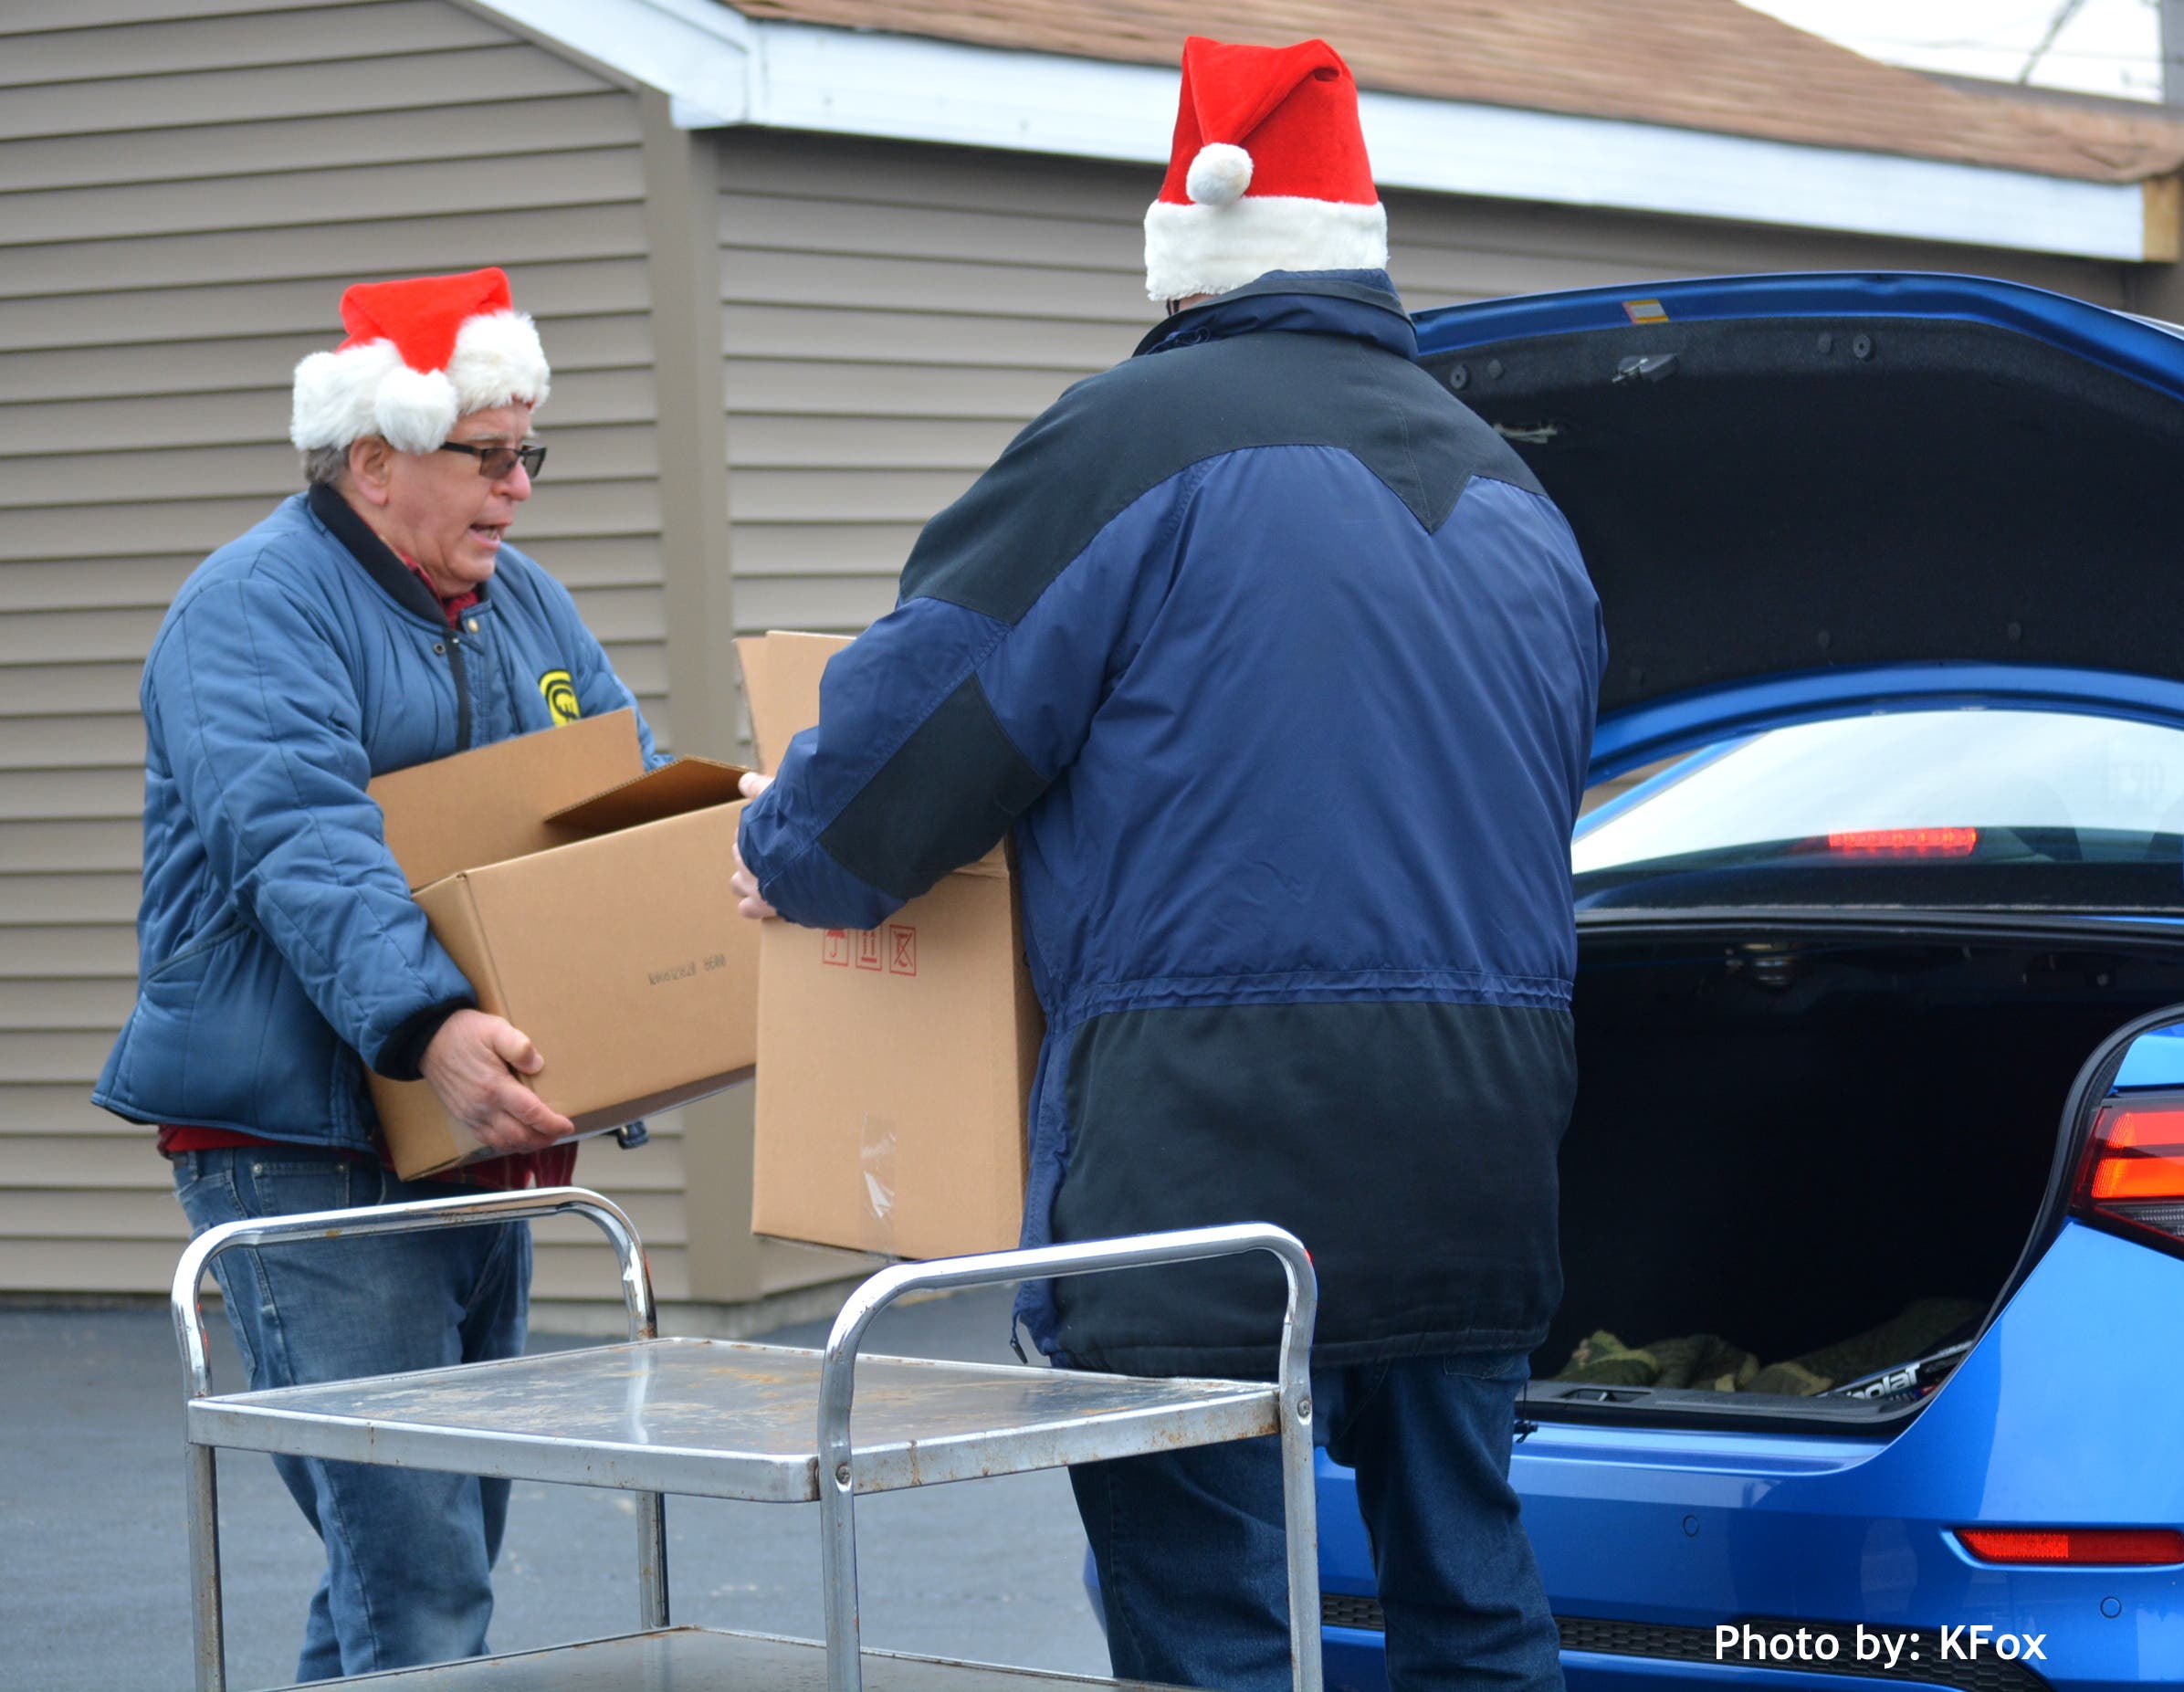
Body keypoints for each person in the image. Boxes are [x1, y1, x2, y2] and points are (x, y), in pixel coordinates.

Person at [730, 35, 1603, 1692]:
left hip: (1200, 1169)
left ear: (1187, 262)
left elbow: (914, 739)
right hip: (1481, 1152)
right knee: (1472, 1606)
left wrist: (793, 845)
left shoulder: (1126, 441)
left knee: (1217, 1636)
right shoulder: (1517, 497)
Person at [93, 268, 664, 1680]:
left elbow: (615, 801)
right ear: (373, 458)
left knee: (419, 1550)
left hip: (464, 1132)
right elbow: (301, 836)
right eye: (488, 452)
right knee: (418, 1573)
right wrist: (432, 1025)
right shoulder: (252, 608)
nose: (520, 485)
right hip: (306, 1139)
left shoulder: (523, 605)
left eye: (529, 449)